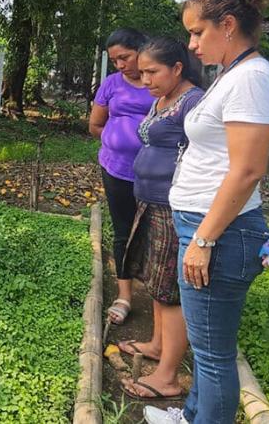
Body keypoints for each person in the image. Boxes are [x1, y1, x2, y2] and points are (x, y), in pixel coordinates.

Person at [143, 0, 269, 424]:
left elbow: (247, 172)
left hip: (220, 232)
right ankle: (191, 415)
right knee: (208, 348)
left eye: (198, 32)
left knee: (213, 355)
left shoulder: (252, 80)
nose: (190, 43)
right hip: (206, 225)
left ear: (228, 25)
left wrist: (203, 240)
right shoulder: (233, 73)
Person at [116, 37, 204, 400]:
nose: (145, 77)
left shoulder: (193, 102)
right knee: (155, 282)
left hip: (172, 208)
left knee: (170, 291)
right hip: (150, 202)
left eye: (153, 71)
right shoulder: (162, 99)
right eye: (144, 71)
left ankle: (167, 375)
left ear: (177, 68)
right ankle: (155, 343)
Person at [89, 27, 155, 324]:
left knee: (157, 231)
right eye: (114, 60)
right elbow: (95, 125)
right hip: (116, 169)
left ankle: (157, 292)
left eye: (124, 57)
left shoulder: (159, 81)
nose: (120, 65)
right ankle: (125, 294)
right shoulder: (111, 84)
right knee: (122, 229)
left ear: (141, 50)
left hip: (156, 174)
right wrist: (118, 140)